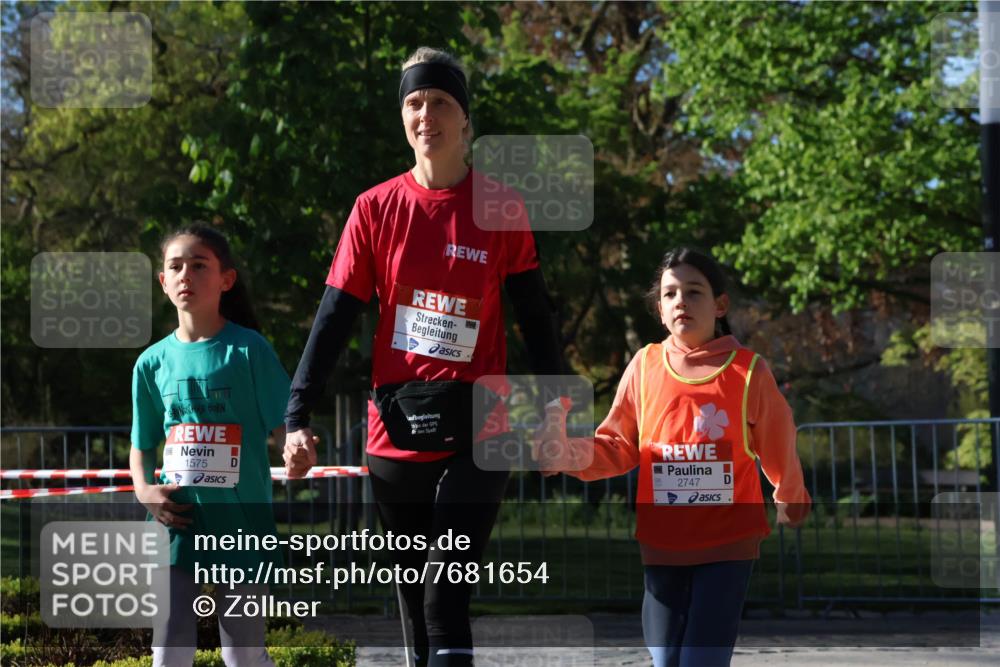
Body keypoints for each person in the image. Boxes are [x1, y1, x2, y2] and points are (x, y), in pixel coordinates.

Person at [282, 47, 563, 667]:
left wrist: (555, 416)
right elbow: (333, 318)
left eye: (439, 102)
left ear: (465, 119)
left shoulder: (501, 207)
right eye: (414, 103)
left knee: (444, 592)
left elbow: (536, 317)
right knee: (414, 603)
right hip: (396, 425)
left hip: (485, 423)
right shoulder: (375, 208)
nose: (426, 114)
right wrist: (297, 417)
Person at [534, 247, 811, 667]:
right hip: (662, 543)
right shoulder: (645, 365)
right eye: (670, 294)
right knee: (665, 657)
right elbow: (618, 445)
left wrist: (790, 494)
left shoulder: (748, 371)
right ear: (660, 311)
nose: (681, 301)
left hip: (728, 543)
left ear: (720, 305)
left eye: (694, 292)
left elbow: (778, 438)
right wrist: (567, 454)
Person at [130, 224, 291, 667]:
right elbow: (141, 445)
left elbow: (285, 427)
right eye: (175, 267)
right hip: (175, 522)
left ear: (226, 279)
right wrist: (144, 491)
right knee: (168, 649)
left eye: (199, 265)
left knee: (242, 655)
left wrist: (295, 449)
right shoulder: (150, 363)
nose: (186, 275)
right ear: (163, 281)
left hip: (241, 523)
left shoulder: (249, 350)